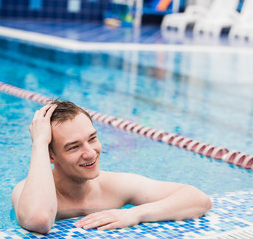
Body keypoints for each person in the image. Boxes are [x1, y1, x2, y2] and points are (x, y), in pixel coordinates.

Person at [11, 100, 212, 234]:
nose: (90, 152)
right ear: (50, 155)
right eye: (73, 147)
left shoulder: (114, 186)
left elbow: (198, 199)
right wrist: (39, 143)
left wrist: (133, 214)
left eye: (92, 138)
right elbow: (39, 220)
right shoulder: (25, 191)